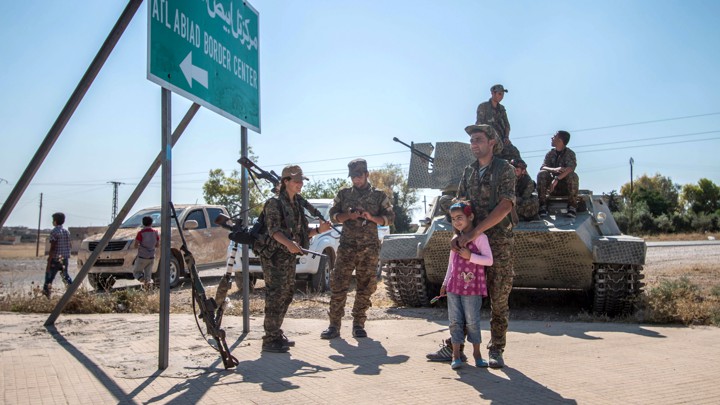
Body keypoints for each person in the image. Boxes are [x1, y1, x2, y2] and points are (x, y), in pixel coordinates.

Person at [428, 124, 516, 368]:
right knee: (462, 298)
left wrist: (475, 232)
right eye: (472, 141)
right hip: (468, 242)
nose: (473, 144)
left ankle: (496, 349)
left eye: (478, 139)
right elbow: (459, 206)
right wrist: (457, 234)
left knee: (498, 299)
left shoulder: (504, 169)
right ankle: (455, 348)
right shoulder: (468, 172)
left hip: (496, 243)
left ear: (492, 143)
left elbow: (506, 205)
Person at [320, 158, 395, 340]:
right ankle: (334, 325)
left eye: (359, 176)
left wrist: (372, 217)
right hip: (347, 247)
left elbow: (391, 217)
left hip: (369, 249)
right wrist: (348, 215)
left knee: (365, 287)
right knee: (338, 285)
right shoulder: (343, 194)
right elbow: (333, 216)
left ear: (367, 174)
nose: (356, 180)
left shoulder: (379, 196)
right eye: (353, 176)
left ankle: (358, 324)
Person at [260, 165, 332, 353]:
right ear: (285, 182)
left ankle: (276, 333)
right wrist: (288, 244)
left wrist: (318, 231)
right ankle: (269, 339)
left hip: (289, 257)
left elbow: (301, 234)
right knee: (275, 295)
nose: (300, 184)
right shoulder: (274, 203)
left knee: (287, 294)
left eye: (302, 181)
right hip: (275, 257)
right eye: (296, 180)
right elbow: (273, 230)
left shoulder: (297, 205)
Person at [441, 201, 493, 369]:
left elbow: (489, 260)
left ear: (470, 216)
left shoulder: (480, 238)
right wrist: (445, 282)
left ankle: (477, 354)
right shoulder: (455, 239)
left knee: (472, 321)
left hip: (472, 288)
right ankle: (456, 355)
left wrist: (470, 256)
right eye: (453, 218)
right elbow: (451, 264)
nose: (456, 221)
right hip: (454, 287)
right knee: (454, 321)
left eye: (460, 217)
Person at [537, 130, 579, 218]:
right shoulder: (550, 154)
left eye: (554, 136)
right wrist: (554, 169)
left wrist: (557, 179)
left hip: (565, 188)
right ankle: (542, 206)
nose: (552, 138)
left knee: (573, 176)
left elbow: (570, 168)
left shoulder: (570, 154)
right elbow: (543, 167)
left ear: (560, 140)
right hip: (551, 188)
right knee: (542, 174)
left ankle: (572, 207)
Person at [475, 84, 521, 162]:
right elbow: (479, 125)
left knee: (515, 154)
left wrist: (506, 137)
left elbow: (507, 125)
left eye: (503, 94)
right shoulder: (484, 107)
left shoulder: (502, 109)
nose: (502, 96)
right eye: (499, 94)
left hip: (502, 140)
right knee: (495, 159)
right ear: (493, 93)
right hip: (489, 140)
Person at [43, 212, 72, 298]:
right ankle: (72, 291)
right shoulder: (66, 232)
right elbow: (70, 245)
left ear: (55, 221)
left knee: (49, 277)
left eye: (53, 220)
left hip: (55, 259)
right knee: (65, 276)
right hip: (65, 258)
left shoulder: (54, 231)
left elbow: (53, 247)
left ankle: (46, 295)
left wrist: (49, 261)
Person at [133, 216, 159, 290]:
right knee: (148, 275)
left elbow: (136, 245)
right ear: (151, 223)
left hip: (142, 256)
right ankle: (147, 289)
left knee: (136, 272)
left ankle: (142, 280)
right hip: (151, 257)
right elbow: (157, 245)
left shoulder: (140, 233)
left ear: (143, 223)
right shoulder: (155, 233)